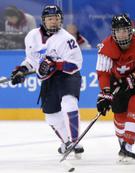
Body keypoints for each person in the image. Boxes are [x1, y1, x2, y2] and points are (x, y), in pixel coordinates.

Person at [10, 5, 84, 158]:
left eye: (57, 18)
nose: (54, 22)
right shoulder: (31, 36)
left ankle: (75, 141)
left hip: (67, 76)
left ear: (61, 20)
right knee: (50, 115)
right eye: (50, 19)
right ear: (43, 20)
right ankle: (67, 142)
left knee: (69, 102)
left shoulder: (67, 39)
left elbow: (76, 64)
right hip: (49, 80)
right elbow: (31, 60)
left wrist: (56, 64)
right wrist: (22, 70)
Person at [96, 14, 135, 163]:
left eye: (125, 30)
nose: (122, 34)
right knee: (120, 114)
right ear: (113, 32)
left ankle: (128, 145)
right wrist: (106, 93)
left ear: (130, 31)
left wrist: (133, 76)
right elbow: (103, 73)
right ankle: (122, 141)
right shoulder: (106, 47)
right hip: (117, 80)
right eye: (118, 30)